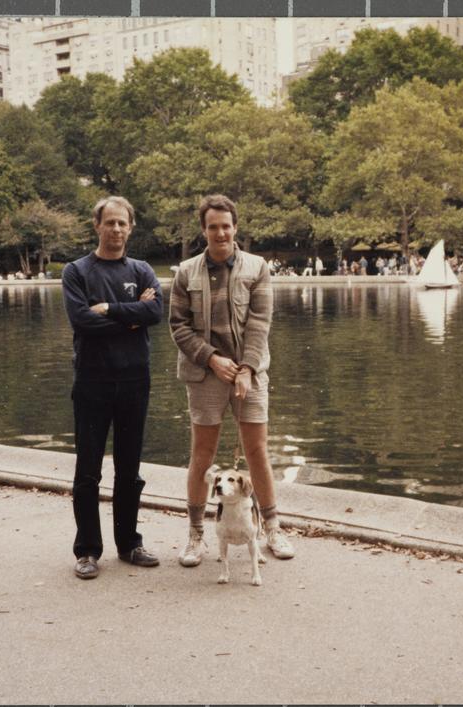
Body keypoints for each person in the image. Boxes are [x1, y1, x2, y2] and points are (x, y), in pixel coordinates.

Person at [169, 193, 295, 568]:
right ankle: (196, 534)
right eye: (213, 227)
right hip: (204, 374)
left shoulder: (257, 268)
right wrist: (212, 358)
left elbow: (260, 323)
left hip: (247, 373)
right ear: (204, 230)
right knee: (202, 455)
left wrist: (247, 369)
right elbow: (178, 326)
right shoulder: (186, 272)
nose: (220, 233)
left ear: (235, 227)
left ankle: (272, 527)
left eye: (226, 226)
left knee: (257, 452)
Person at [61, 195, 164, 580]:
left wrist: (109, 309)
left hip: (134, 380)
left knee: (129, 469)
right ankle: (88, 550)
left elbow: (155, 312)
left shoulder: (141, 270)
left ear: (130, 227)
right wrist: (132, 318)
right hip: (92, 380)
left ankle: (129, 543)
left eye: (123, 223)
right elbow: (82, 321)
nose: (116, 229)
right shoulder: (77, 271)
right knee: (88, 470)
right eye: (110, 222)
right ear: (97, 225)